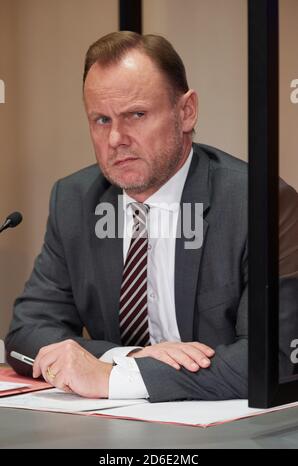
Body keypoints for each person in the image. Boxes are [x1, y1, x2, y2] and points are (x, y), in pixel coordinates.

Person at [4, 31, 296, 401]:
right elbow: (27, 331)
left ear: (186, 111)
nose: (116, 139)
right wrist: (127, 358)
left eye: (136, 115)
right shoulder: (75, 200)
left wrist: (113, 380)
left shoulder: (260, 204)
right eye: (101, 120)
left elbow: (277, 356)